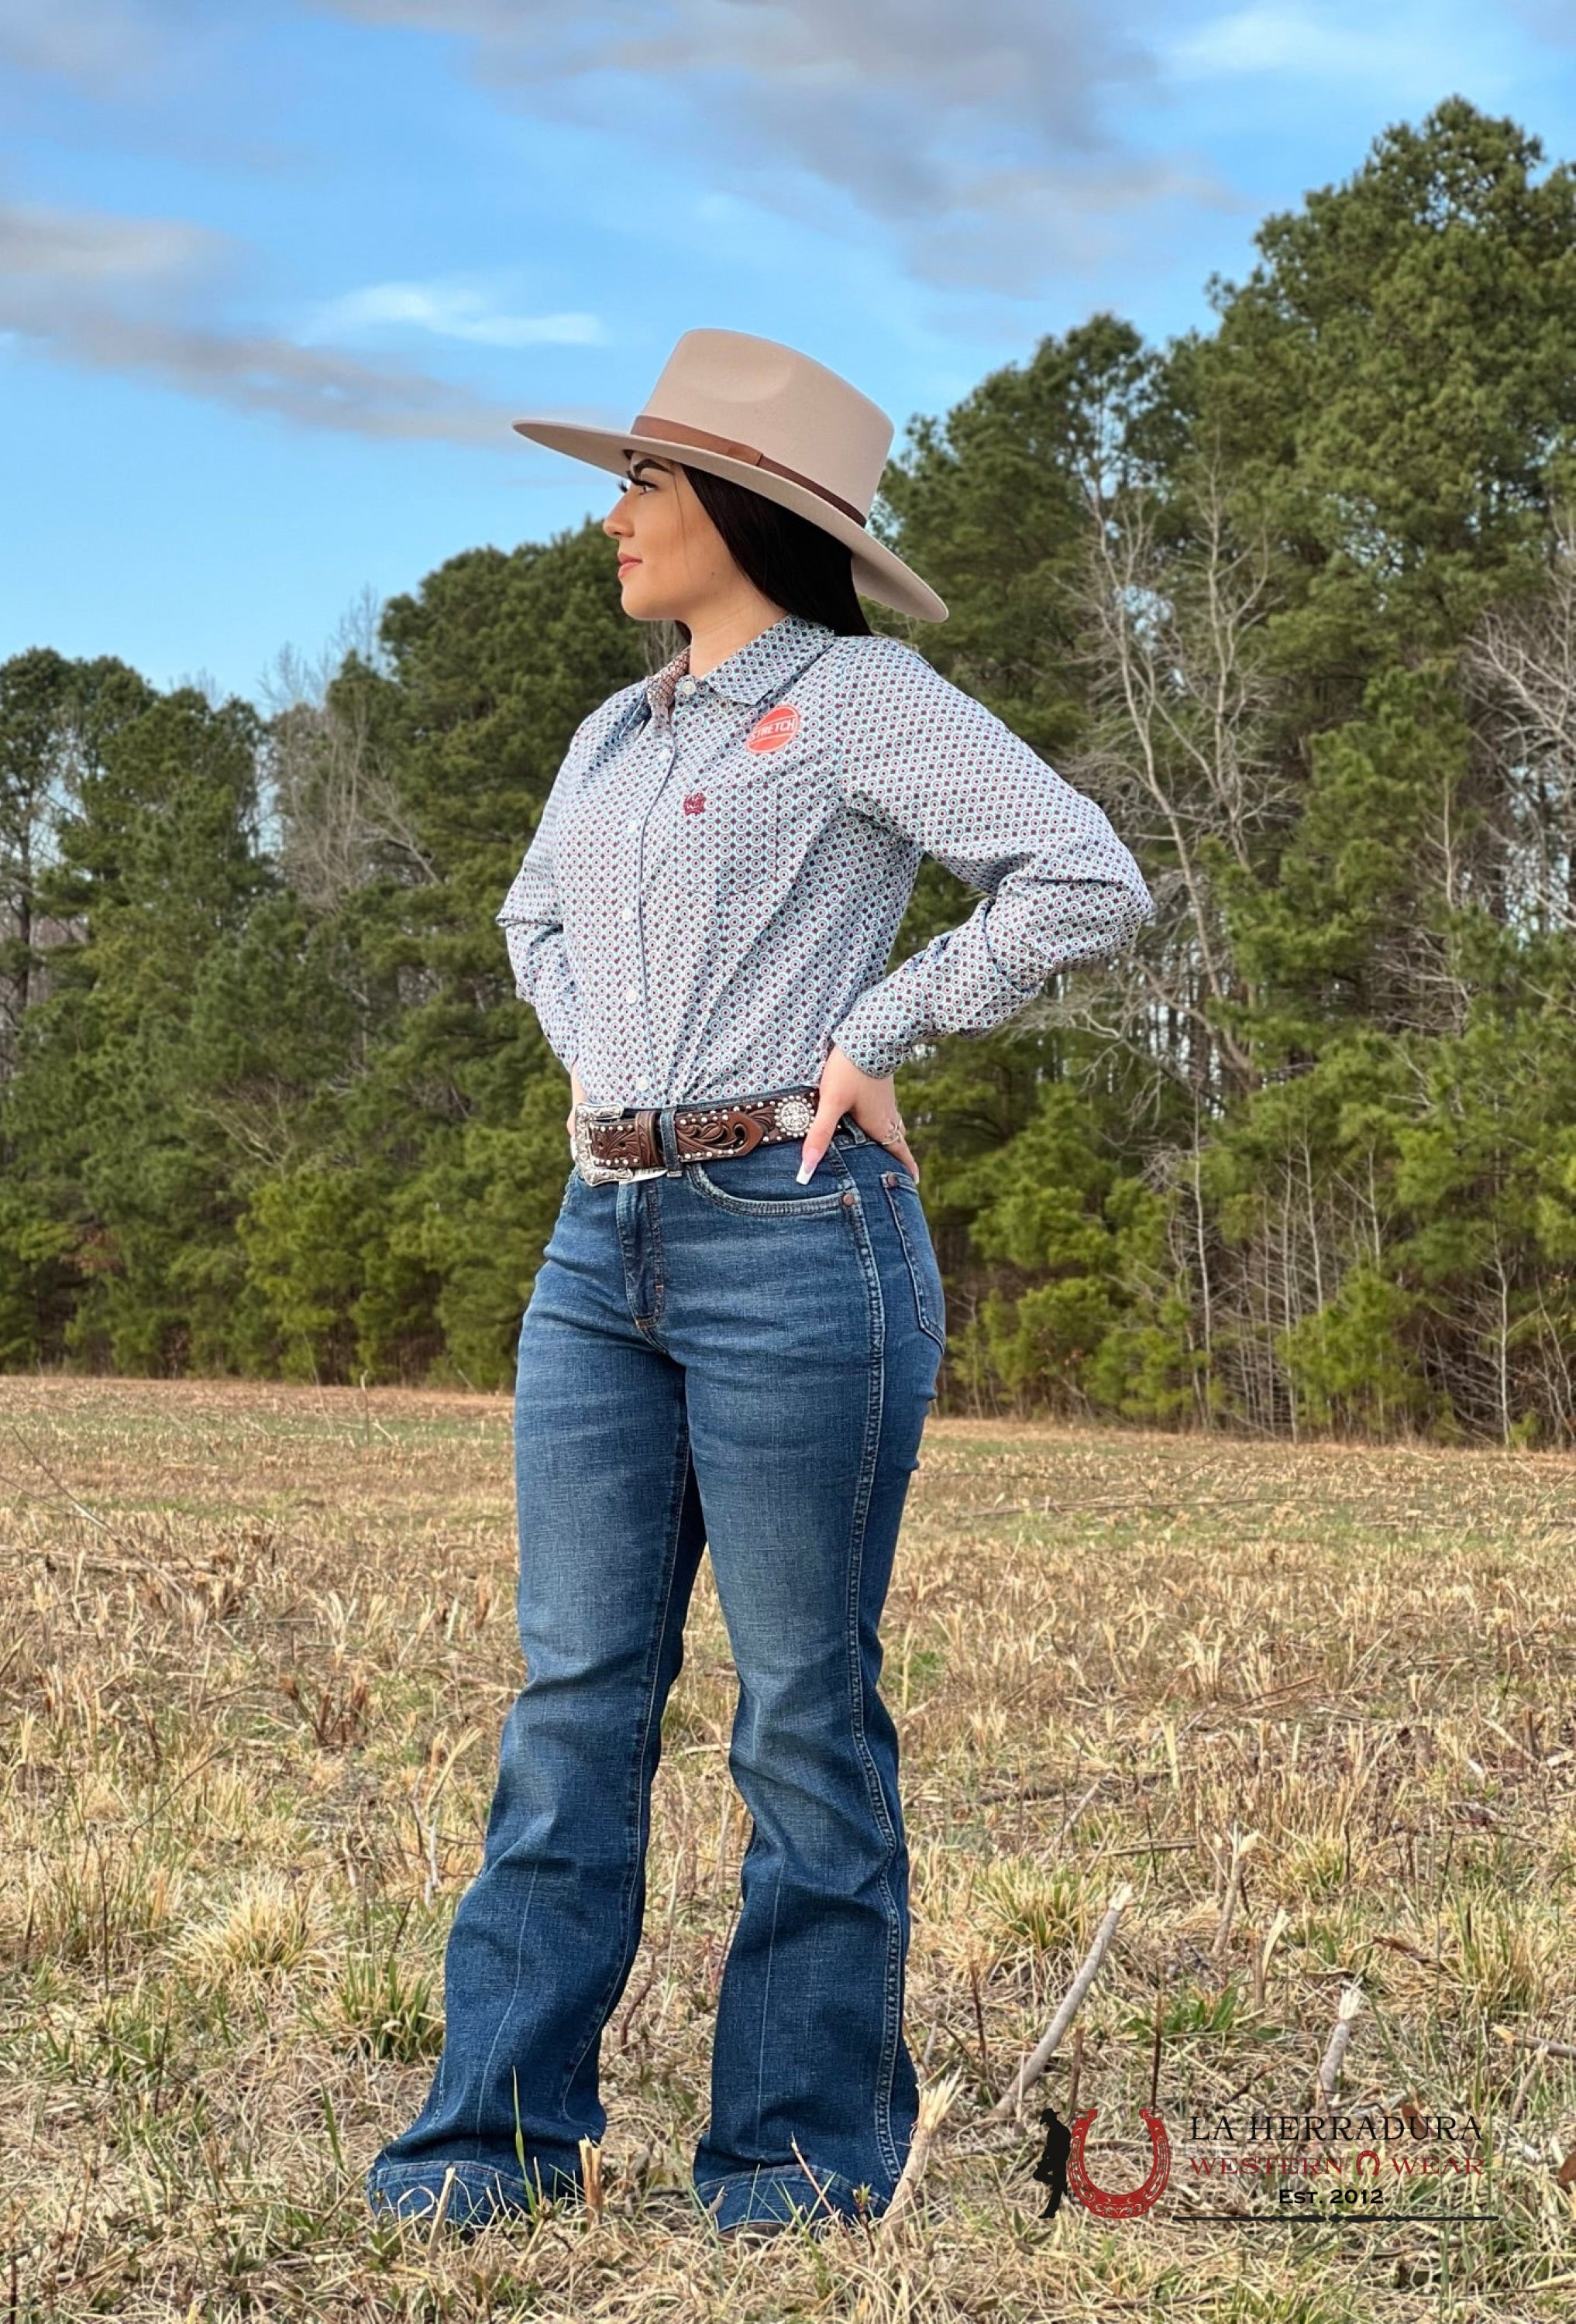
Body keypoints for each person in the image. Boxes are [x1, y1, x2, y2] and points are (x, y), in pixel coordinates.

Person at [367, 328, 1154, 2236]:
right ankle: (489, 2150)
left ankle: (795, 2167)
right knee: (573, 1701)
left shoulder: (864, 701)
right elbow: (533, 908)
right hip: (596, 1243)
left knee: (801, 1711)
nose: (616, 518)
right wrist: (591, 1048)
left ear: (744, 509)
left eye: (644, 482)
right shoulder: (615, 733)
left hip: (799, 1239)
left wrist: (882, 1022)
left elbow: (1084, 873)